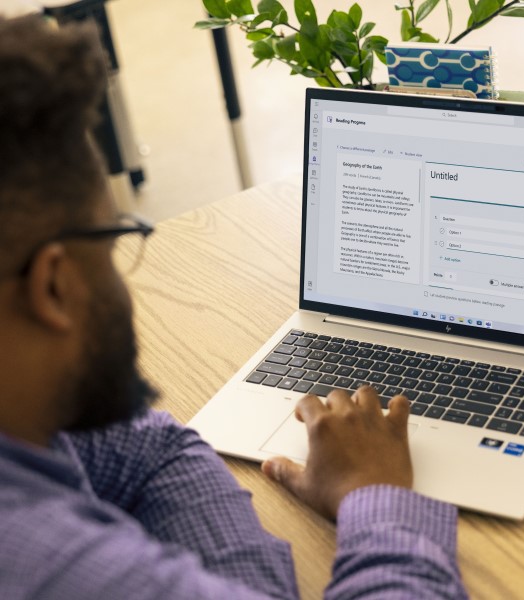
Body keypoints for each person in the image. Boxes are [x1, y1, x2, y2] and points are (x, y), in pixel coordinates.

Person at [0, 15, 467, 600]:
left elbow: (152, 447)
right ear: (53, 286)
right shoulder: (57, 570)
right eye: (116, 239)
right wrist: (376, 498)